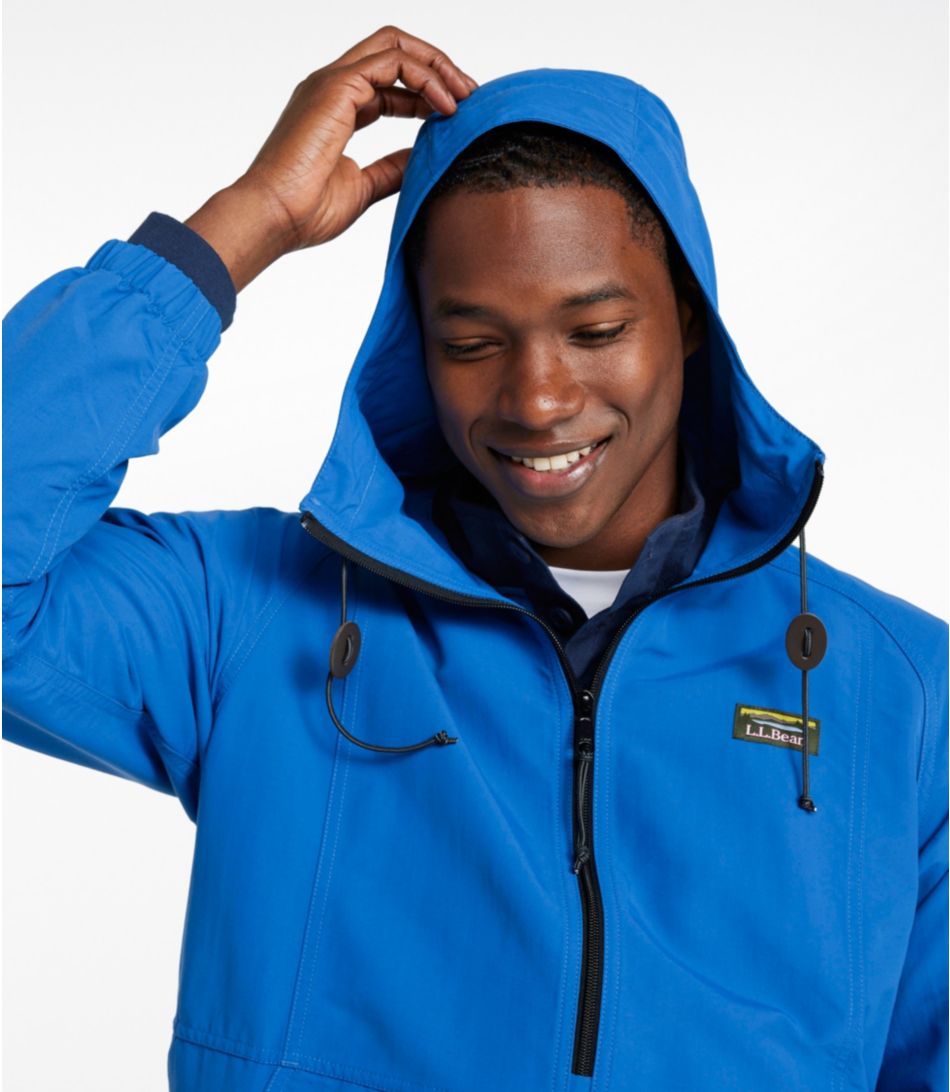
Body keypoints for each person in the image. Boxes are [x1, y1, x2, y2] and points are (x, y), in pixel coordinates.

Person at [3, 24, 947, 1092]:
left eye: (595, 331)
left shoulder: (906, 692)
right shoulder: (250, 612)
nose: (537, 399)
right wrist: (245, 223)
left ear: (686, 319)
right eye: (472, 344)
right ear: (414, 346)